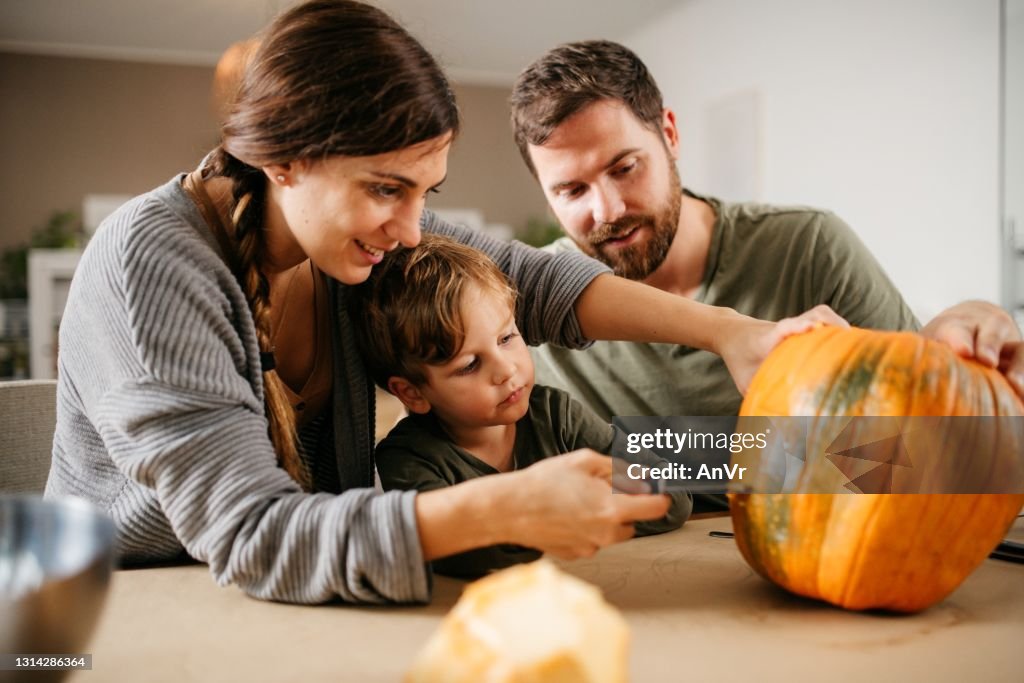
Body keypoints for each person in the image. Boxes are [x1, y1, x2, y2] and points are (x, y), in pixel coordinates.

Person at [44, 1, 841, 605]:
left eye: (426, 192)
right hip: (129, 607)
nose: (413, 228)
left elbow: (538, 283)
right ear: (286, 161)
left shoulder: (359, 247)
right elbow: (253, 535)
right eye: (387, 189)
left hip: (307, 597)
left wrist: (734, 334)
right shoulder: (152, 264)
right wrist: (496, 508)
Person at [509, 39, 1024, 422]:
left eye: (625, 168)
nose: (609, 210)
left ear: (669, 134)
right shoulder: (528, 305)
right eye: (572, 191)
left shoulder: (808, 248)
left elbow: (920, 432)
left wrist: (964, 340)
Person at [349, 233, 692, 578]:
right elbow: (462, 557)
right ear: (412, 393)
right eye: (470, 364)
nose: (506, 370)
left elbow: (672, 497)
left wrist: (589, 510)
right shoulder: (408, 458)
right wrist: (554, 517)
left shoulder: (559, 417)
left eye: (507, 338)